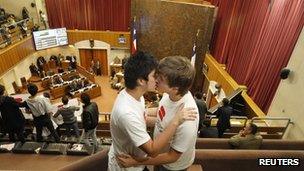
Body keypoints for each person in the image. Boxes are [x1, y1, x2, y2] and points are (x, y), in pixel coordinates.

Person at [109, 52, 196, 171]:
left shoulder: (188, 117)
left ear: (174, 88)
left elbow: (171, 156)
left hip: (172, 166)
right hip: (130, 162)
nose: (157, 80)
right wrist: (174, 121)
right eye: (155, 75)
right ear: (141, 81)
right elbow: (160, 113)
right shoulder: (165, 95)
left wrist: (176, 121)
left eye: (160, 78)